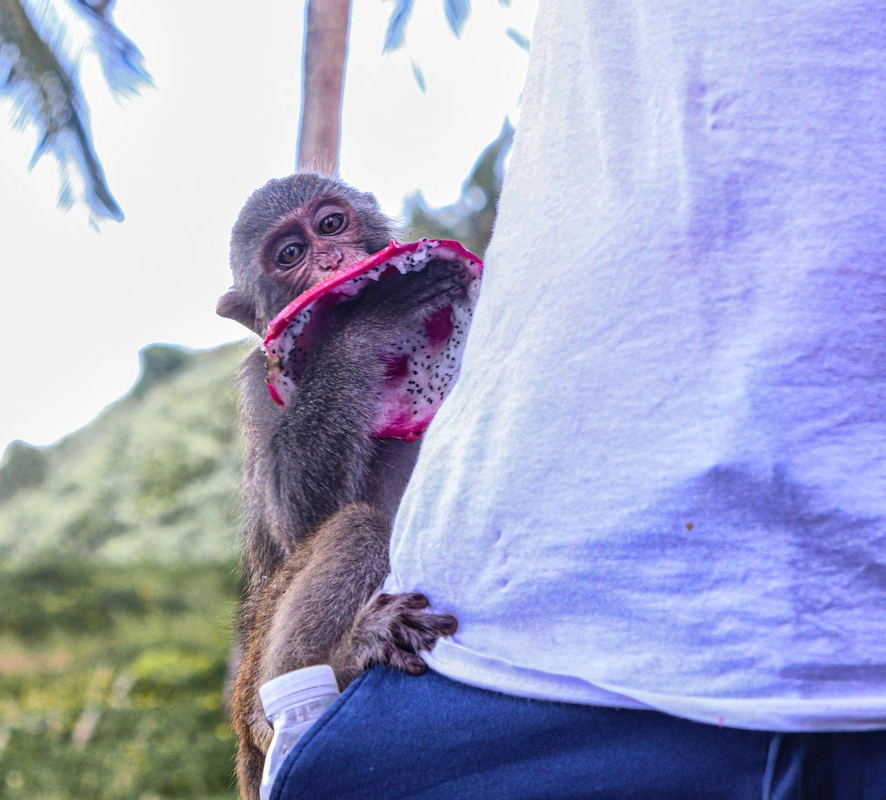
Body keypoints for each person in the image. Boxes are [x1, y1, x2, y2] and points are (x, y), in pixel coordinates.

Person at [269, 0, 886, 797]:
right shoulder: (287, 366)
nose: (329, 258)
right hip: (492, 660)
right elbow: (292, 530)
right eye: (293, 253)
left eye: (335, 225)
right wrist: (349, 348)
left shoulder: (438, 293)